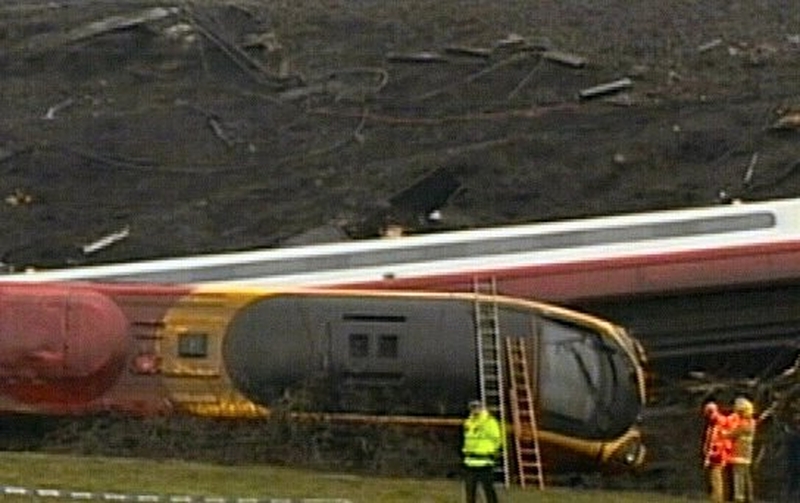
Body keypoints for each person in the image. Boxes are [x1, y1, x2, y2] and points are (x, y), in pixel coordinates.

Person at [462, 400, 502, 503]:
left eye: (477, 407)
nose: (474, 409)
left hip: (485, 462)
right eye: (472, 407)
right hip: (470, 462)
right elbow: (467, 440)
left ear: (481, 408)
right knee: (470, 492)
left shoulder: (489, 422)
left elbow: (497, 439)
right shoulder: (469, 422)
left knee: (489, 491)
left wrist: (491, 452)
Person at [727, 397, 757, 503]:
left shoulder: (744, 424)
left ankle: (739, 497)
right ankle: (749, 497)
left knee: (738, 476)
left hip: (739, 452)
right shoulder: (752, 422)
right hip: (747, 453)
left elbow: (732, 434)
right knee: (746, 475)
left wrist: (723, 433)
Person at [702, 400, 733, 502]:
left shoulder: (718, 422)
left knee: (717, 477)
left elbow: (716, 441)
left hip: (718, 453)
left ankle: (718, 498)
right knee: (715, 477)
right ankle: (716, 496)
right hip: (718, 452)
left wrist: (709, 455)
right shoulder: (714, 423)